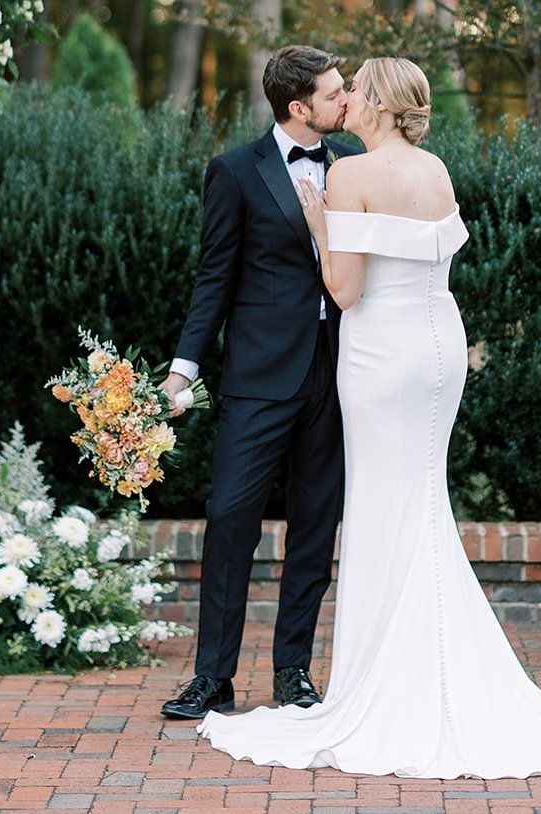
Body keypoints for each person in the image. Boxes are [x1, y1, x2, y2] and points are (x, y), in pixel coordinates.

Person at [198, 57, 541, 778]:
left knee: (382, 506)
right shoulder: (434, 170)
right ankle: (431, 667)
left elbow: (346, 289)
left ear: (383, 104)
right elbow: (435, 261)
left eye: (357, 87)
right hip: (437, 348)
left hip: (380, 355)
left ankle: (388, 685)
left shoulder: (349, 177)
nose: (348, 97)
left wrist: (318, 225)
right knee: (419, 500)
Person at [159, 45, 358, 721]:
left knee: (313, 525)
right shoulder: (235, 173)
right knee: (228, 521)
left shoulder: (352, 171)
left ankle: (292, 671)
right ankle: (212, 677)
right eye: (333, 93)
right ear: (298, 107)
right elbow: (213, 277)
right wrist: (183, 368)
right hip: (254, 379)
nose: (345, 100)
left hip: (336, 377)